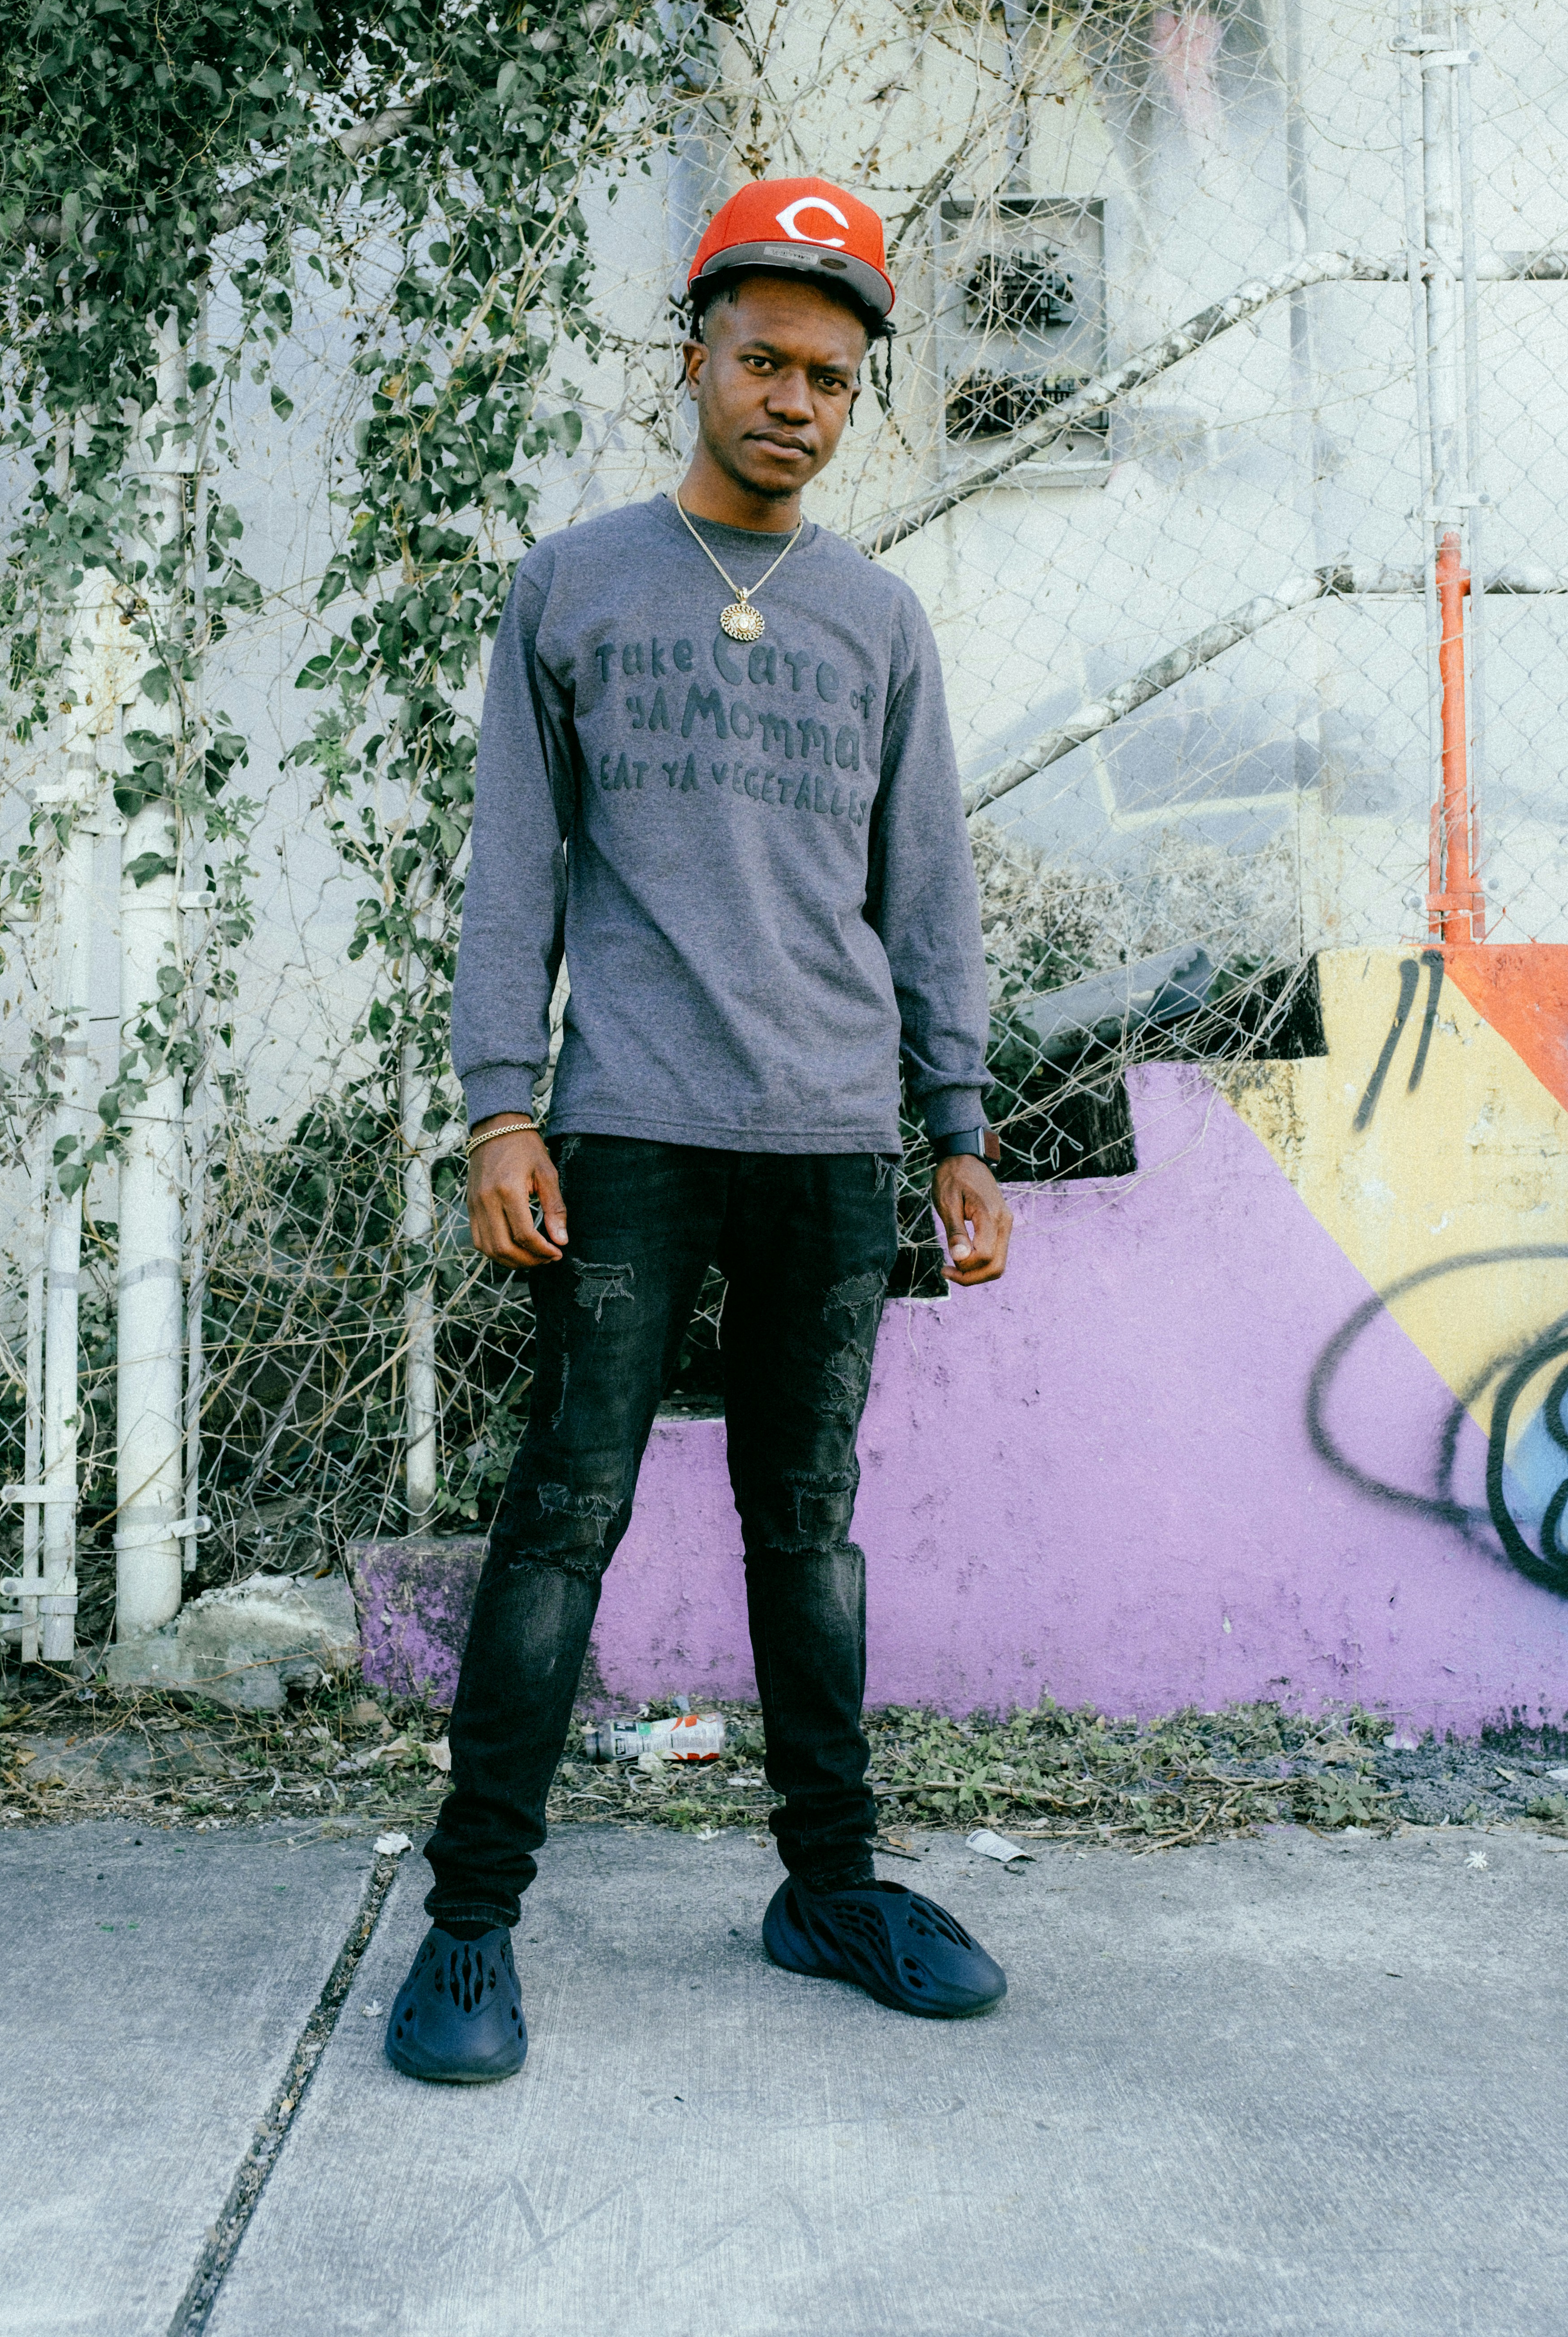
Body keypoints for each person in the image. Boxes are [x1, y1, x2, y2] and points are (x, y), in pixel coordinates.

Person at [385, 176, 1013, 2086]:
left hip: (829, 1141)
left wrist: (958, 1121)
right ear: (696, 361)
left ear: (854, 400)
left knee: (805, 1528)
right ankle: (470, 1926)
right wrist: (504, 1100)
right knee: (561, 1518)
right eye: (763, 359)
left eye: (831, 375)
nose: (796, 400)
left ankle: (829, 1888)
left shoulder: (879, 620)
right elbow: (517, 869)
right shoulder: (570, 584)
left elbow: (927, 893)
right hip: (633, 1128)